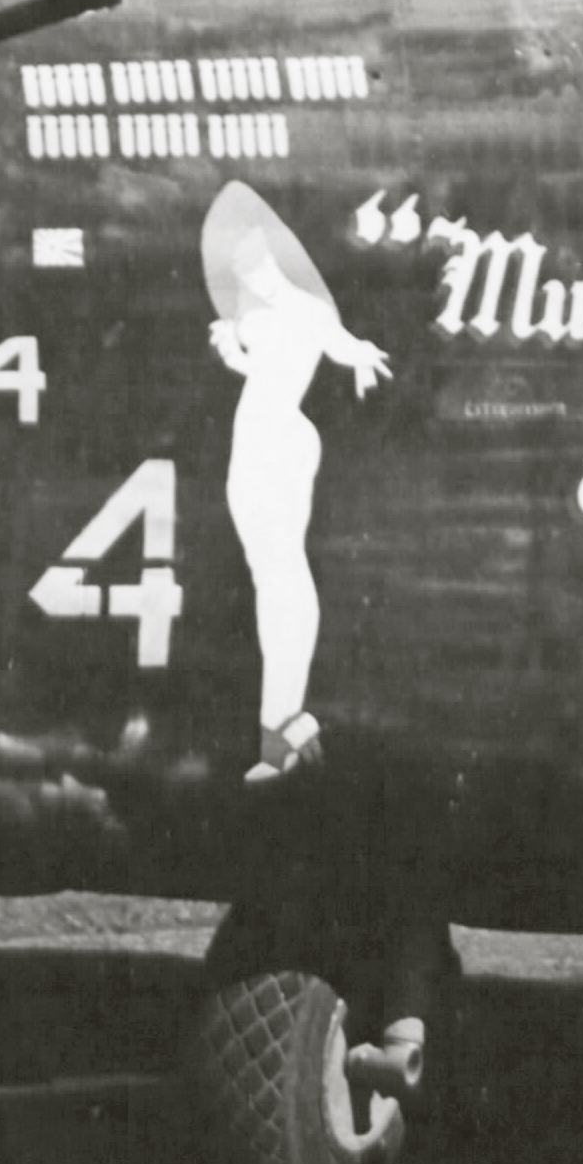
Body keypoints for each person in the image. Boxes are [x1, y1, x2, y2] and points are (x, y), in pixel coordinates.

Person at [202, 182, 390, 780]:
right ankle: (277, 725)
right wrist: (233, 354)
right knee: (269, 576)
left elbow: (340, 345)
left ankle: (286, 721)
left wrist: (362, 357)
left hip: (281, 440)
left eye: (259, 259)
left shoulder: (309, 311)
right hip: (253, 439)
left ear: (276, 253)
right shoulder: (254, 315)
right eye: (242, 266)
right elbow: (264, 371)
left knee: (284, 571)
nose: (253, 274)